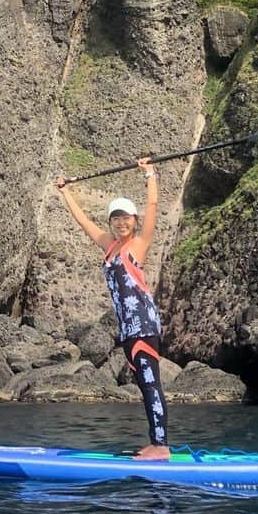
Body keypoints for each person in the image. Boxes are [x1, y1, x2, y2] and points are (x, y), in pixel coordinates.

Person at [54, 157, 170, 460]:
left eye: (127, 218)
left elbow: (153, 208)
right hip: (127, 328)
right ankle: (155, 442)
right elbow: (83, 222)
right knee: (144, 386)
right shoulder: (109, 246)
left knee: (150, 383)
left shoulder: (138, 244)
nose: (121, 222)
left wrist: (149, 175)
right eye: (116, 219)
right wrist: (66, 193)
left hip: (144, 323)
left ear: (134, 220)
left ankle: (161, 446)